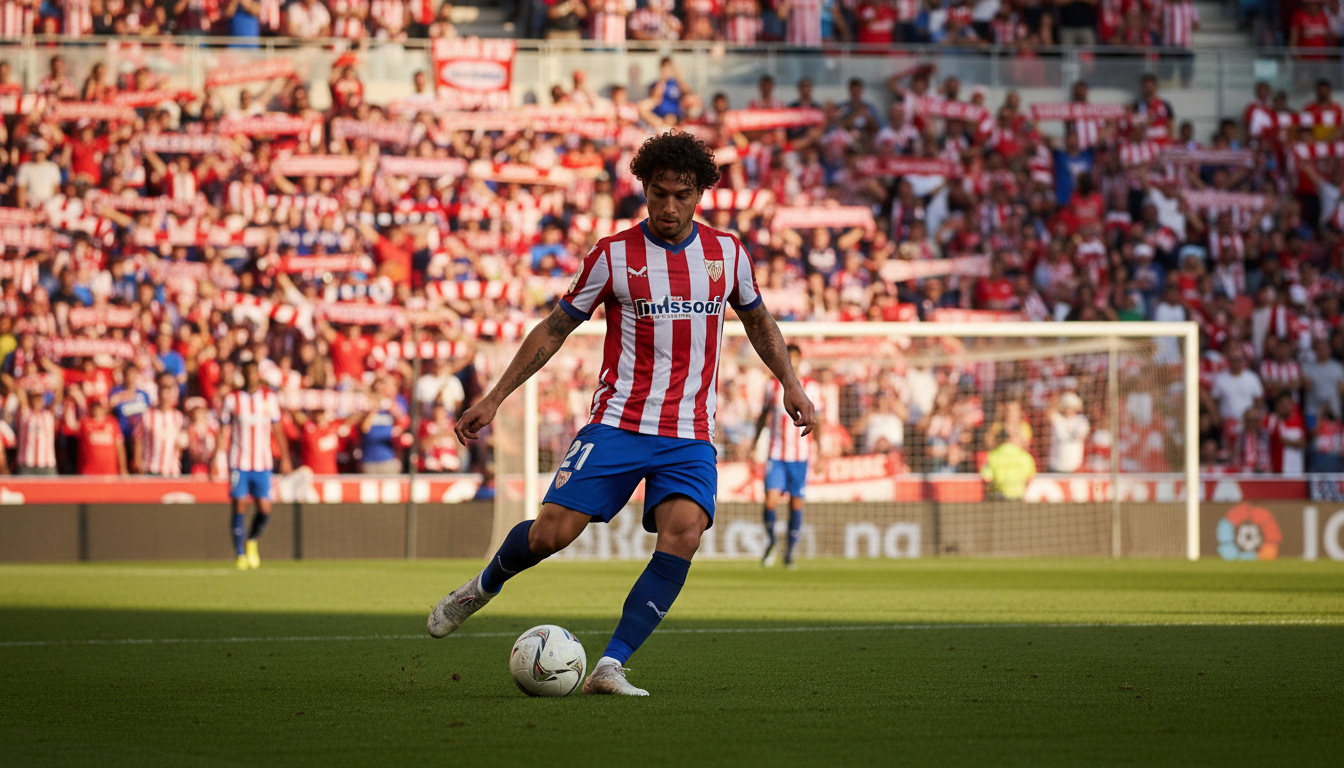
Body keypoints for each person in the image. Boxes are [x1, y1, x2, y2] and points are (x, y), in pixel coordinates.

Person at [426, 132, 816, 696]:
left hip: (689, 432)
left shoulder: (727, 254)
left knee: (684, 534)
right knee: (551, 535)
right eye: (659, 193)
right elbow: (555, 329)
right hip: (618, 423)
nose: (669, 206)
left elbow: (759, 321)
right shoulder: (613, 255)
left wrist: (791, 383)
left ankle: (610, 665)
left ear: (701, 194)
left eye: (682, 195)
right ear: (644, 189)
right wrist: (493, 398)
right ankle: (480, 588)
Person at [214, 358, 291, 571]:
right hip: (239, 462)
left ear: (258, 374)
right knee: (239, 504)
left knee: (265, 508)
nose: (250, 377)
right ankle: (240, 554)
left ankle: (252, 539)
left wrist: (285, 457)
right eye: (246, 373)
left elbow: (278, 429)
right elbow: (223, 429)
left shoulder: (269, 398)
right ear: (242, 375)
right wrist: (217, 456)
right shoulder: (232, 399)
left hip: (262, 463)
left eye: (253, 373)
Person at [753, 343, 823, 569]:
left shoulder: (812, 387)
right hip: (776, 454)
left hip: (800, 457)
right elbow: (762, 417)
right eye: (788, 358)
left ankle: (790, 552)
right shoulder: (772, 386)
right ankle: (772, 542)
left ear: (801, 361)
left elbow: (819, 422)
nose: (792, 363)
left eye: (795, 359)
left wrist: (820, 451)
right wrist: (755, 443)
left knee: (796, 503)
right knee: (771, 500)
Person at [980, 427, 1036, 500]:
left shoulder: (993, 455)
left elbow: (986, 478)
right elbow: (1030, 477)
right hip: (1017, 497)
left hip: (998, 497)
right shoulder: (1024, 456)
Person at [1047, 391, 1089, 473]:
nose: (1068, 409)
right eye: (1066, 406)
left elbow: (1081, 436)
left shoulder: (1081, 421)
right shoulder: (1059, 419)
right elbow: (1049, 413)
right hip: (1057, 465)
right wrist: (1055, 401)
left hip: (1074, 466)